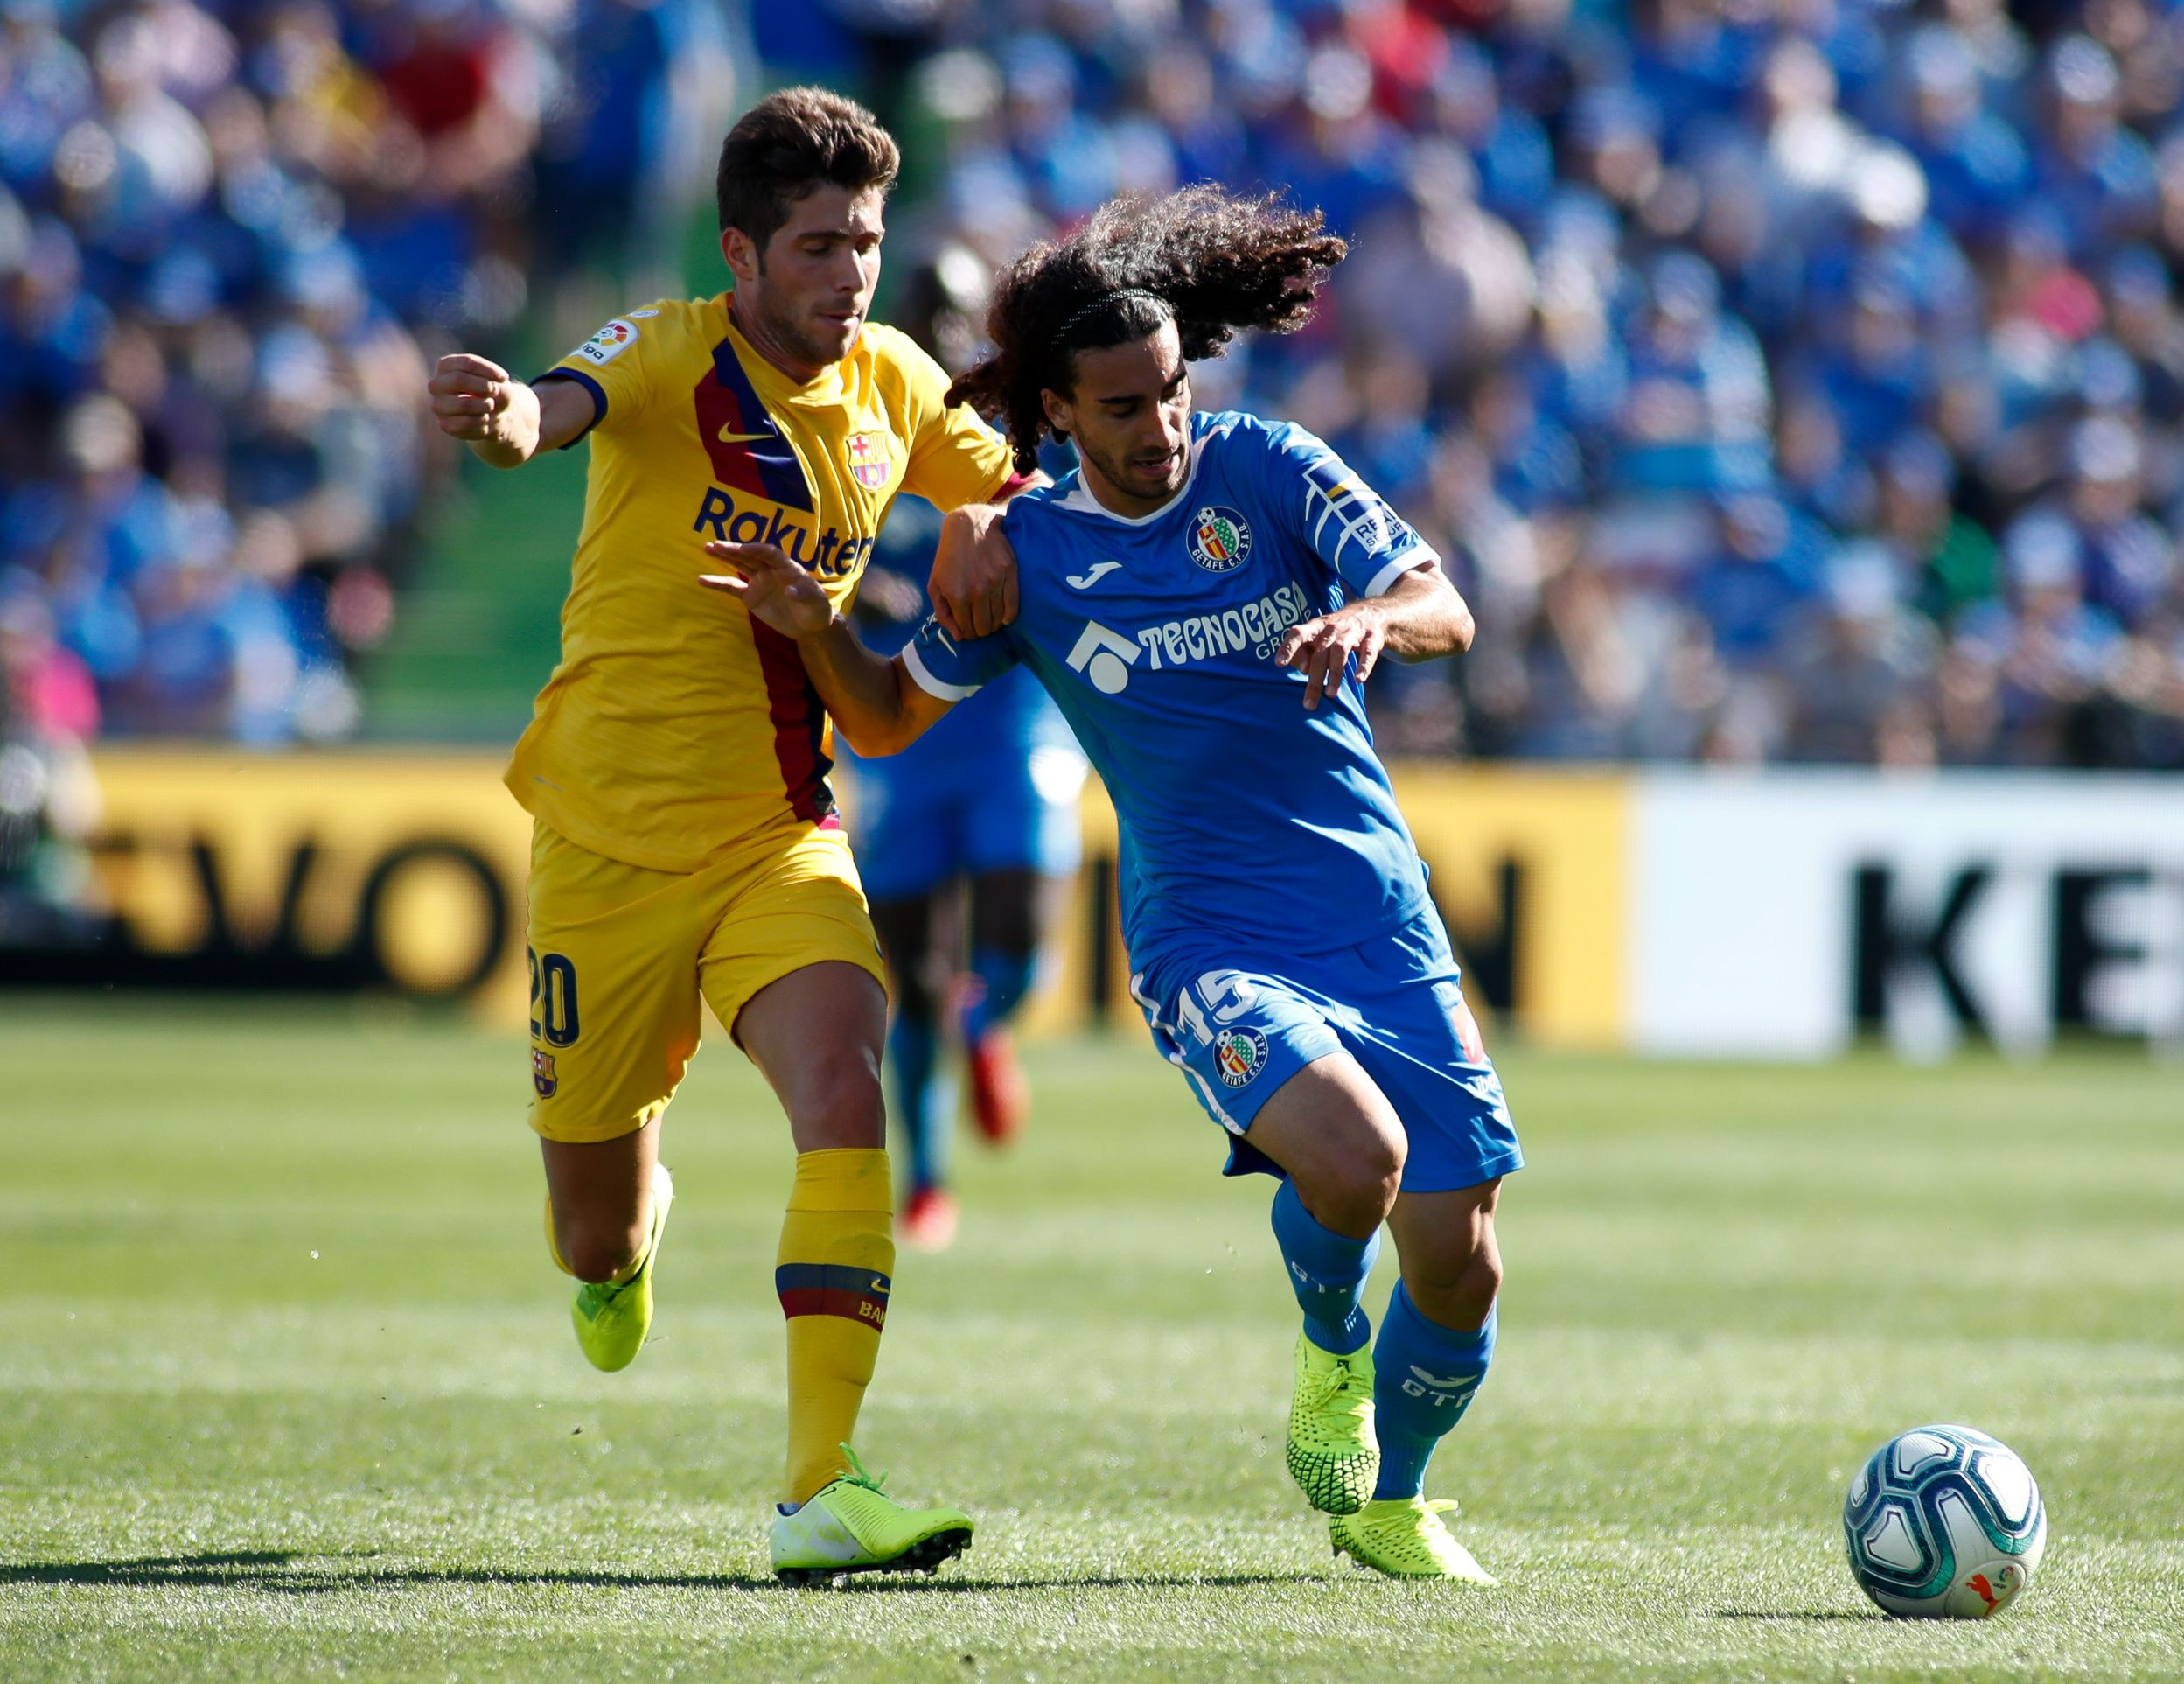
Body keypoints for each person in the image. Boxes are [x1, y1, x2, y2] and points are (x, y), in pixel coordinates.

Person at [702, 185, 1522, 1583]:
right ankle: (1332, 1351)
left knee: (1465, 1263)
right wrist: (816, 624)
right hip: (1205, 939)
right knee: (1362, 1161)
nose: (1162, 429)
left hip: (1378, 918)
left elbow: (1441, 602)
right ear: (1061, 415)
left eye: (1172, 393)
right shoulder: (1026, 559)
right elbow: (893, 718)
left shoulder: (1268, 469)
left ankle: (1398, 1502)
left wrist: (1373, 618)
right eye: (1126, 408)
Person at [422, 86, 1028, 1583]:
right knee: (589, 1237)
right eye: (818, 246)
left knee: (845, 1079)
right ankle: (627, 1244)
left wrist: (983, 517)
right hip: (605, 849)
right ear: (740, 255)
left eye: (868, 244)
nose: (849, 276)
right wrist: (501, 418)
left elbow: (1017, 489)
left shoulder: (894, 380)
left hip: (780, 835)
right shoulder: (665, 346)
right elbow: (548, 410)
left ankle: (821, 1489)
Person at [843, 500, 1085, 1250]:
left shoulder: (1030, 439)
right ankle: (926, 1181)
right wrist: (847, 592)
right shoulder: (844, 437)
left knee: (1021, 929)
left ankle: (984, 1026)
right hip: (894, 728)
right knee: (912, 978)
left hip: (1012, 719)